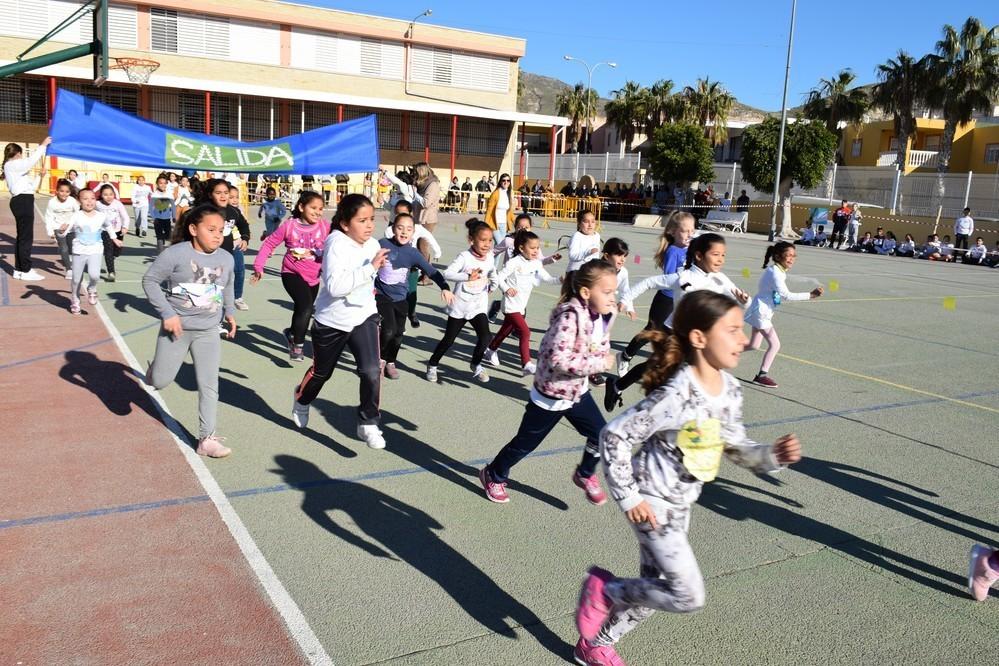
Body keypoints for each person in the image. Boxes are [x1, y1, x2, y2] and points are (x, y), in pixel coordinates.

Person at [574, 290, 802, 665]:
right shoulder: (677, 394)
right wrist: (630, 497)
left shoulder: (730, 390)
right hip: (652, 501)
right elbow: (615, 435)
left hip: (681, 504)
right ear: (699, 338)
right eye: (732, 330)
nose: (743, 339)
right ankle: (605, 590)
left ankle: (596, 644)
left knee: (654, 590)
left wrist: (772, 456)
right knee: (687, 594)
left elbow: (735, 446)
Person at [479, 260, 619, 506]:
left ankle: (585, 473)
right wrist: (598, 364)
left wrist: (606, 333)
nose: (612, 298)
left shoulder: (600, 316)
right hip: (551, 396)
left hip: (576, 392)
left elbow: (596, 346)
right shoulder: (569, 318)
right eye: (607, 292)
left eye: (614, 292)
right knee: (524, 445)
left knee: (601, 434)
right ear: (586, 293)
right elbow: (557, 359)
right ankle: (493, 473)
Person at [291, 194, 390, 450]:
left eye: (371, 219)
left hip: (364, 316)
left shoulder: (372, 244)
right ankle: (302, 399)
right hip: (331, 321)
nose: (369, 225)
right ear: (345, 224)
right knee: (322, 373)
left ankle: (368, 422)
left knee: (371, 370)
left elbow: (371, 277)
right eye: (362, 221)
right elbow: (335, 287)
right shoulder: (336, 243)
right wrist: (371, 268)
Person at [607, 232, 748, 411]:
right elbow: (649, 282)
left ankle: (619, 387)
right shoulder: (684, 278)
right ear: (699, 255)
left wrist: (744, 301)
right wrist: (626, 299)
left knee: (678, 374)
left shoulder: (720, 279)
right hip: (673, 334)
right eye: (715, 254)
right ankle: (621, 390)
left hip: (699, 339)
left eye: (723, 255)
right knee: (658, 369)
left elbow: (739, 302)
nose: (720, 259)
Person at [142, 204, 237, 458]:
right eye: (211, 230)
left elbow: (227, 285)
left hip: (208, 330)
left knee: (209, 384)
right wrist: (168, 314)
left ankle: (207, 438)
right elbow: (150, 281)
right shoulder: (175, 254)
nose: (218, 235)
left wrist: (229, 311)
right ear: (194, 229)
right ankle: (154, 371)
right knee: (160, 381)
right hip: (178, 329)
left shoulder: (226, 258)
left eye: (221, 230)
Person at [251, 191, 330, 362]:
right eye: (313, 208)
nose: (318, 212)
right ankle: (297, 345)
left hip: (313, 276)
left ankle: (291, 333)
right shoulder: (290, 226)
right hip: (291, 273)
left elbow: (338, 242)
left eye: (320, 208)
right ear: (301, 207)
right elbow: (269, 243)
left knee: (302, 309)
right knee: (306, 306)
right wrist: (258, 266)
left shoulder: (324, 226)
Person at [616, 211, 695, 377]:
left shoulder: (691, 249)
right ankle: (625, 356)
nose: (690, 234)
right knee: (651, 332)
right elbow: (668, 277)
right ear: (673, 232)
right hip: (666, 301)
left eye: (692, 230)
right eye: (685, 231)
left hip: (682, 300)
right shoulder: (673, 251)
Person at [377, 212, 453, 379]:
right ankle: (380, 360)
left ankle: (391, 362)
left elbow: (431, 271)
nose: (404, 232)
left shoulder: (413, 253)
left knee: (399, 333)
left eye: (409, 229)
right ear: (393, 229)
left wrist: (445, 287)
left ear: (413, 232)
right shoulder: (382, 244)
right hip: (381, 295)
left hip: (401, 298)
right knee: (389, 330)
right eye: (400, 228)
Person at [426, 219, 497, 384]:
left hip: (478, 305)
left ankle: (476, 364)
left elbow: (492, 271)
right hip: (460, 305)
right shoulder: (464, 257)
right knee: (448, 340)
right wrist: (467, 276)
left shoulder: (490, 257)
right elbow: (447, 273)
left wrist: (494, 284)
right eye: (483, 240)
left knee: (486, 337)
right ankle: (432, 364)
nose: (487, 244)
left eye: (490, 240)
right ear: (471, 240)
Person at [744, 242, 823, 388]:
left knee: (753, 345)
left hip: (761, 310)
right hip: (761, 313)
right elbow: (787, 295)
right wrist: (811, 295)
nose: (792, 259)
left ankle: (722, 352)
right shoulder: (775, 273)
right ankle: (761, 376)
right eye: (789, 255)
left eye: (794, 256)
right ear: (778, 256)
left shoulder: (777, 270)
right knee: (775, 344)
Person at [483, 229, 561, 375]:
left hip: (521, 306)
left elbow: (548, 279)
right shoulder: (514, 262)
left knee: (505, 330)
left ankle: (490, 350)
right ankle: (526, 364)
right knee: (525, 332)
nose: (536, 251)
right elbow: (499, 277)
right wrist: (506, 288)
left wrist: (560, 280)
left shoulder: (536, 263)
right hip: (510, 304)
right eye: (532, 248)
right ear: (521, 248)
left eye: (537, 247)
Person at [382, 198, 442, 329]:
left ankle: (412, 313)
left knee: (412, 292)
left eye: (404, 213)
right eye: (398, 214)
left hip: (412, 267)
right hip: (396, 267)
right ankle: (398, 319)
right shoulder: (390, 231)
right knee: (397, 294)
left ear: (411, 214)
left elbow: (429, 237)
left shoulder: (418, 228)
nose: (401, 216)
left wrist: (437, 251)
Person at [60, 188, 121, 314]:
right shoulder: (76, 216)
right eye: (85, 199)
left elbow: (108, 226)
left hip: (95, 249)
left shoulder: (101, 216)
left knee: (94, 275)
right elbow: (67, 229)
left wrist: (114, 238)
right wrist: (62, 231)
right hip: (79, 250)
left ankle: (92, 289)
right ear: (79, 201)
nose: (89, 201)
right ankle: (75, 299)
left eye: (92, 198)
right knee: (76, 279)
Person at [198, 179, 250, 314]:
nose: (223, 196)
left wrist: (245, 238)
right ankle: (209, 315)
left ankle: (228, 307)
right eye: (218, 193)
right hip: (207, 256)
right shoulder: (204, 212)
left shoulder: (233, 212)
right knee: (211, 288)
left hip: (226, 255)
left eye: (226, 193)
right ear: (210, 194)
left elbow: (244, 225)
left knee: (225, 284)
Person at [2, 137, 51, 281]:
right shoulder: (12, 165)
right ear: (17, 153)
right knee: (26, 238)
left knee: (22, 237)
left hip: (25, 199)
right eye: (21, 154)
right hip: (22, 201)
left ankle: (19, 269)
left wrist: (39, 176)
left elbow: (31, 188)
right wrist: (43, 146)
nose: (22, 157)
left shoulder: (15, 169)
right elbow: (30, 162)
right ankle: (25, 270)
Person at [44, 178, 79, 279]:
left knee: (72, 247)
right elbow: (49, 217)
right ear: (57, 191)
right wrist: (50, 231)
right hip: (58, 228)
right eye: (62, 191)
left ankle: (70, 260)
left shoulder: (72, 201)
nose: (64, 194)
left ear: (70, 192)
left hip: (71, 228)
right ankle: (68, 270)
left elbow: (77, 214)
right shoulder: (52, 202)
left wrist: (68, 224)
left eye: (67, 191)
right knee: (64, 248)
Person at [95, 183, 130, 282]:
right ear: (101, 195)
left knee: (117, 251)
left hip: (118, 231)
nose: (108, 197)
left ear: (114, 194)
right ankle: (111, 272)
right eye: (105, 194)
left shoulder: (117, 204)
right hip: (105, 231)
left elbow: (125, 216)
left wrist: (125, 227)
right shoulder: (97, 204)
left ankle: (112, 257)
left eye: (111, 194)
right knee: (108, 251)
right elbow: (88, 209)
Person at [566, 209, 602, 276]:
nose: (590, 225)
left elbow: (596, 255)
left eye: (593, 221)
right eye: (586, 222)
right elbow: (572, 256)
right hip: (575, 273)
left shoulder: (597, 235)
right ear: (579, 223)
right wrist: (587, 252)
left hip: (591, 273)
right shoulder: (577, 236)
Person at [484, 173, 515, 246]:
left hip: (504, 224)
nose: (506, 182)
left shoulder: (509, 194)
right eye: (503, 180)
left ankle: (492, 254)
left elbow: (510, 211)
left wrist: (516, 223)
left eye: (508, 180)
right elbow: (489, 210)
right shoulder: (495, 194)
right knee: (500, 243)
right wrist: (485, 224)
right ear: (500, 182)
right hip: (494, 224)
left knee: (500, 246)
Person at [411, 162, 440, 236]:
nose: (414, 174)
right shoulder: (420, 185)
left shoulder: (432, 185)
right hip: (418, 218)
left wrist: (415, 193)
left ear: (421, 172)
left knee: (423, 242)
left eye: (416, 172)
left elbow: (426, 203)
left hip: (427, 220)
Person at [150, 175, 176, 254]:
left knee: (168, 235)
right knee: (159, 237)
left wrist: (174, 216)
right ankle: (160, 254)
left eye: (164, 183)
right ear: (157, 184)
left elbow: (173, 206)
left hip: (166, 218)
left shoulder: (169, 194)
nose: (163, 185)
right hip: (157, 219)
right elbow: (151, 207)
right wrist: (153, 217)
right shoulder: (154, 195)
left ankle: (163, 238)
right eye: (161, 183)